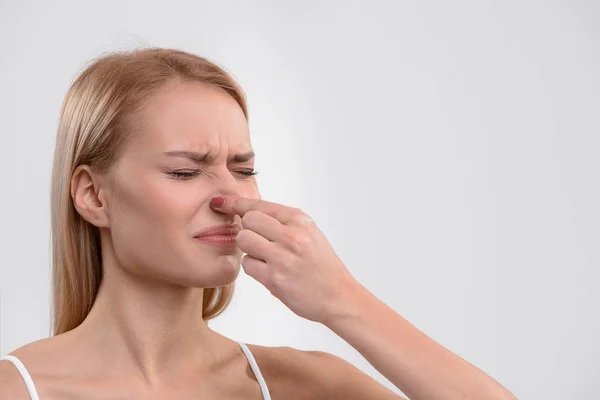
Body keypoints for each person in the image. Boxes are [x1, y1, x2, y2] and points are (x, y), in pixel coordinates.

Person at [0, 47, 517, 400]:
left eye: (244, 169)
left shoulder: (297, 384)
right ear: (93, 196)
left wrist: (342, 300)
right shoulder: (20, 387)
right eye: (185, 171)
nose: (230, 195)